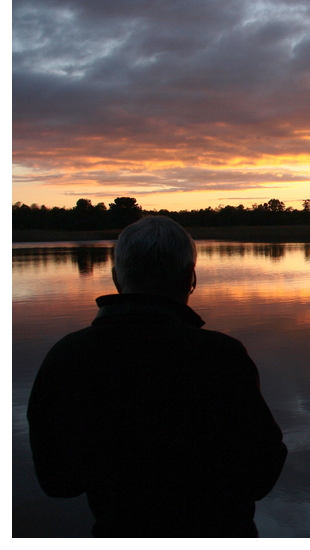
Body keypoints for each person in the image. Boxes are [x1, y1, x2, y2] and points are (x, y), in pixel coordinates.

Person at [27, 215, 287, 537]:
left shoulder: (67, 356)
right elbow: (261, 474)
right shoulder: (221, 356)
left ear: (115, 279)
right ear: (190, 278)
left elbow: (58, 483)